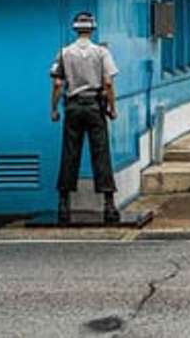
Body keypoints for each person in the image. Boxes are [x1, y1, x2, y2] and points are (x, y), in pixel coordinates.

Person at [51, 12, 120, 225]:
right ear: (92, 29)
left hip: (73, 106)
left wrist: (53, 108)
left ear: (75, 29)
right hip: (94, 106)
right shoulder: (101, 52)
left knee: (70, 153)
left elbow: (57, 84)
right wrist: (112, 107)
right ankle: (109, 205)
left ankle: (63, 205)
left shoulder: (64, 53)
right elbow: (107, 83)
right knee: (100, 153)